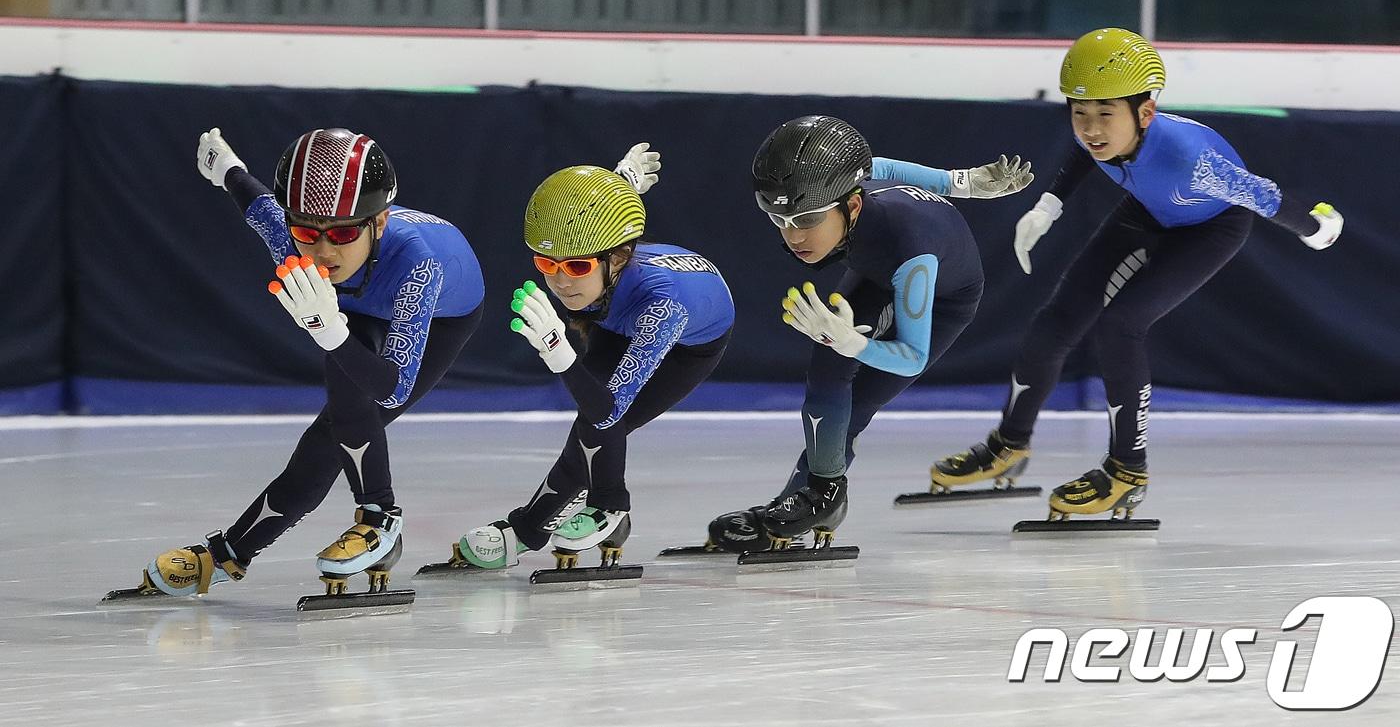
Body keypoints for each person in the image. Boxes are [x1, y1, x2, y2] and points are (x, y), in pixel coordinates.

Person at [931, 28, 1344, 523]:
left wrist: (1318, 228)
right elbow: (1086, 151)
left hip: (1210, 229)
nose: (1090, 129)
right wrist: (1047, 207)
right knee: (1054, 321)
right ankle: (1008, 445)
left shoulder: (1193, 160)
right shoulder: (1104, 133)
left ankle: (1128, 472)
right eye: (1079, 113)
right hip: (1145, 213)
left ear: (1145, 113)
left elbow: (1265, 198)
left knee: (1120, 326)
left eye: (1105, 114)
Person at [110, 126, 485, 600]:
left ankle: (377, 521)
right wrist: (227, 168)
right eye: (308, 232)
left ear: (380, 224)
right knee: (338, 409)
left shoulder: (419, 262)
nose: (324, 251)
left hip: (443, 314)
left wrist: (332, 333)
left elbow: (391, 388)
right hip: (355, 306)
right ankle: (230, 554)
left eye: (345, 232)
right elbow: (258, 204)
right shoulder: (290, 239)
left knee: (341, 419)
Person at [707, 115, 1035, 552]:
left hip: (939, 298)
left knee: (857, 401)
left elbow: (913, 355)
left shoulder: (912, 252)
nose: (792, 235)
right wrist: (964, 183)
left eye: (806, 219)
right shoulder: (851, 179)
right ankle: (802, 497)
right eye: (778, 219)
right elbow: (884, 166)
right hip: (877, 270)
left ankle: (821, 494)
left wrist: (854, 342)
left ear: (853, 206)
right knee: (826, 372)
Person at [449, 162, 736, 571]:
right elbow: (584, 211)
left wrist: (558, 353)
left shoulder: (664, 304)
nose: (562, 282)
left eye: (577, 266)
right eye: (548, 265)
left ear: (617, 258)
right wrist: (620, 186)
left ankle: (605, 507)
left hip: (689, 344)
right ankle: (536, 525)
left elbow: (609, 411)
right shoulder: (604, 265)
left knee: (602, 418)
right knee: (591, 417)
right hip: (615, 314)